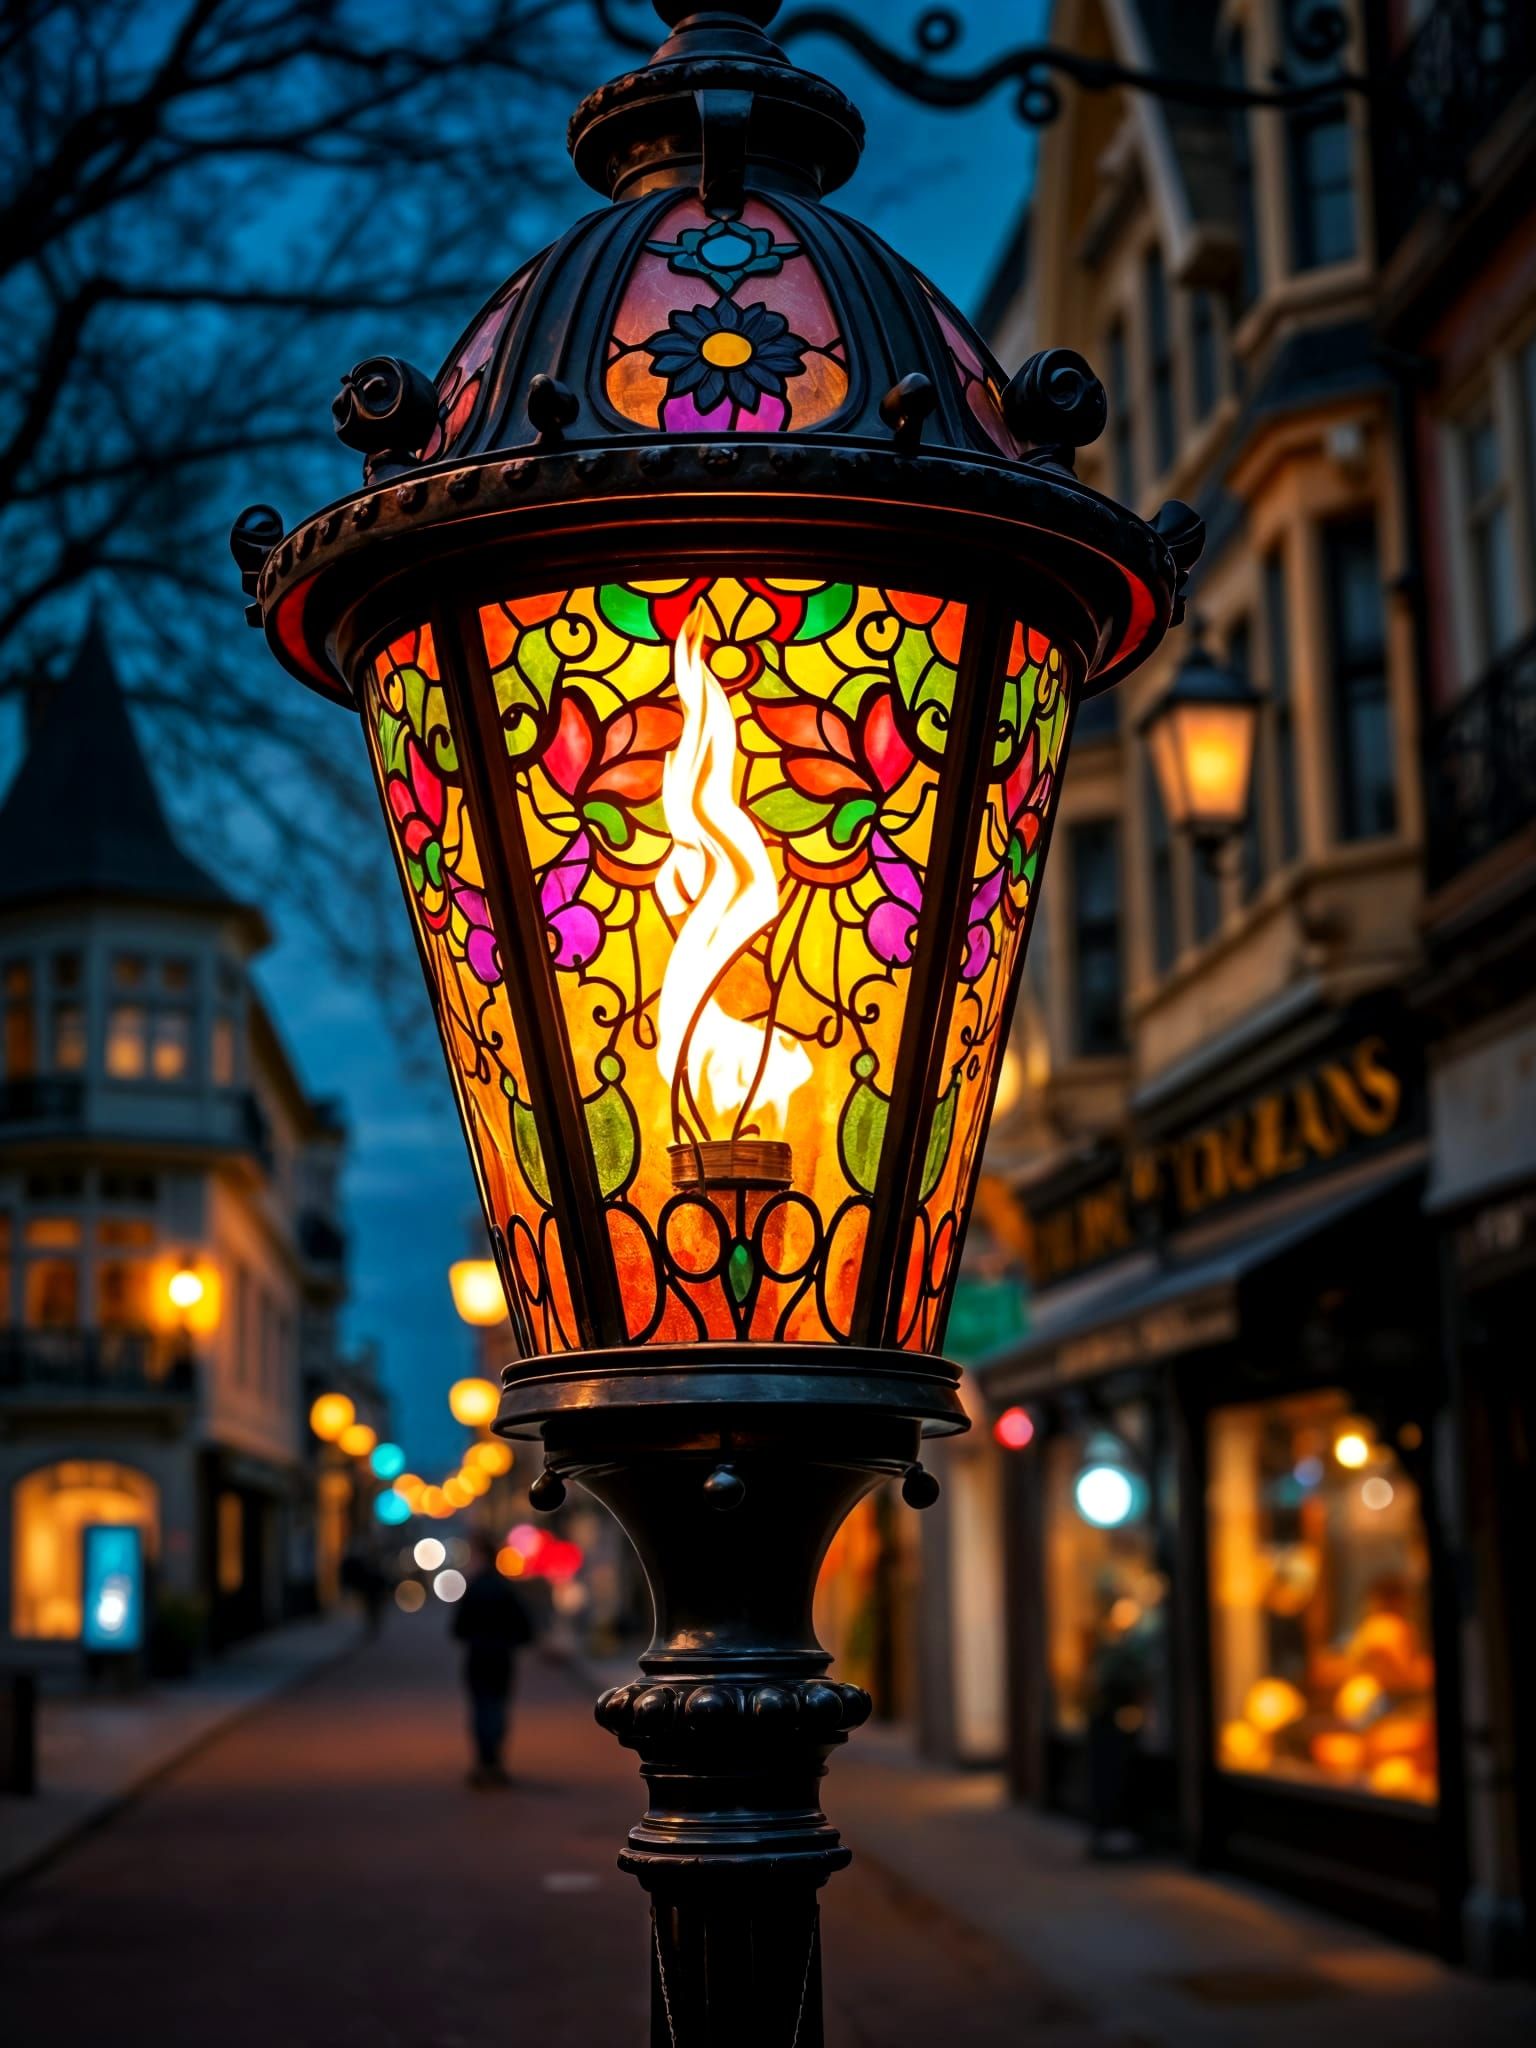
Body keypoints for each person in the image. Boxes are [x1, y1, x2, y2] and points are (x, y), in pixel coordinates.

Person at [453, 1535, 534, 1786]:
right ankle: (495, 1762)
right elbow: (525, 1629)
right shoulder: (506, 1589)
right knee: (497, 1708)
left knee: (480, 1708)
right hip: (501, 1658)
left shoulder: (474, 1588)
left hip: (477, 1657)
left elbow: (458, 1629)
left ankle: (484, 1762)